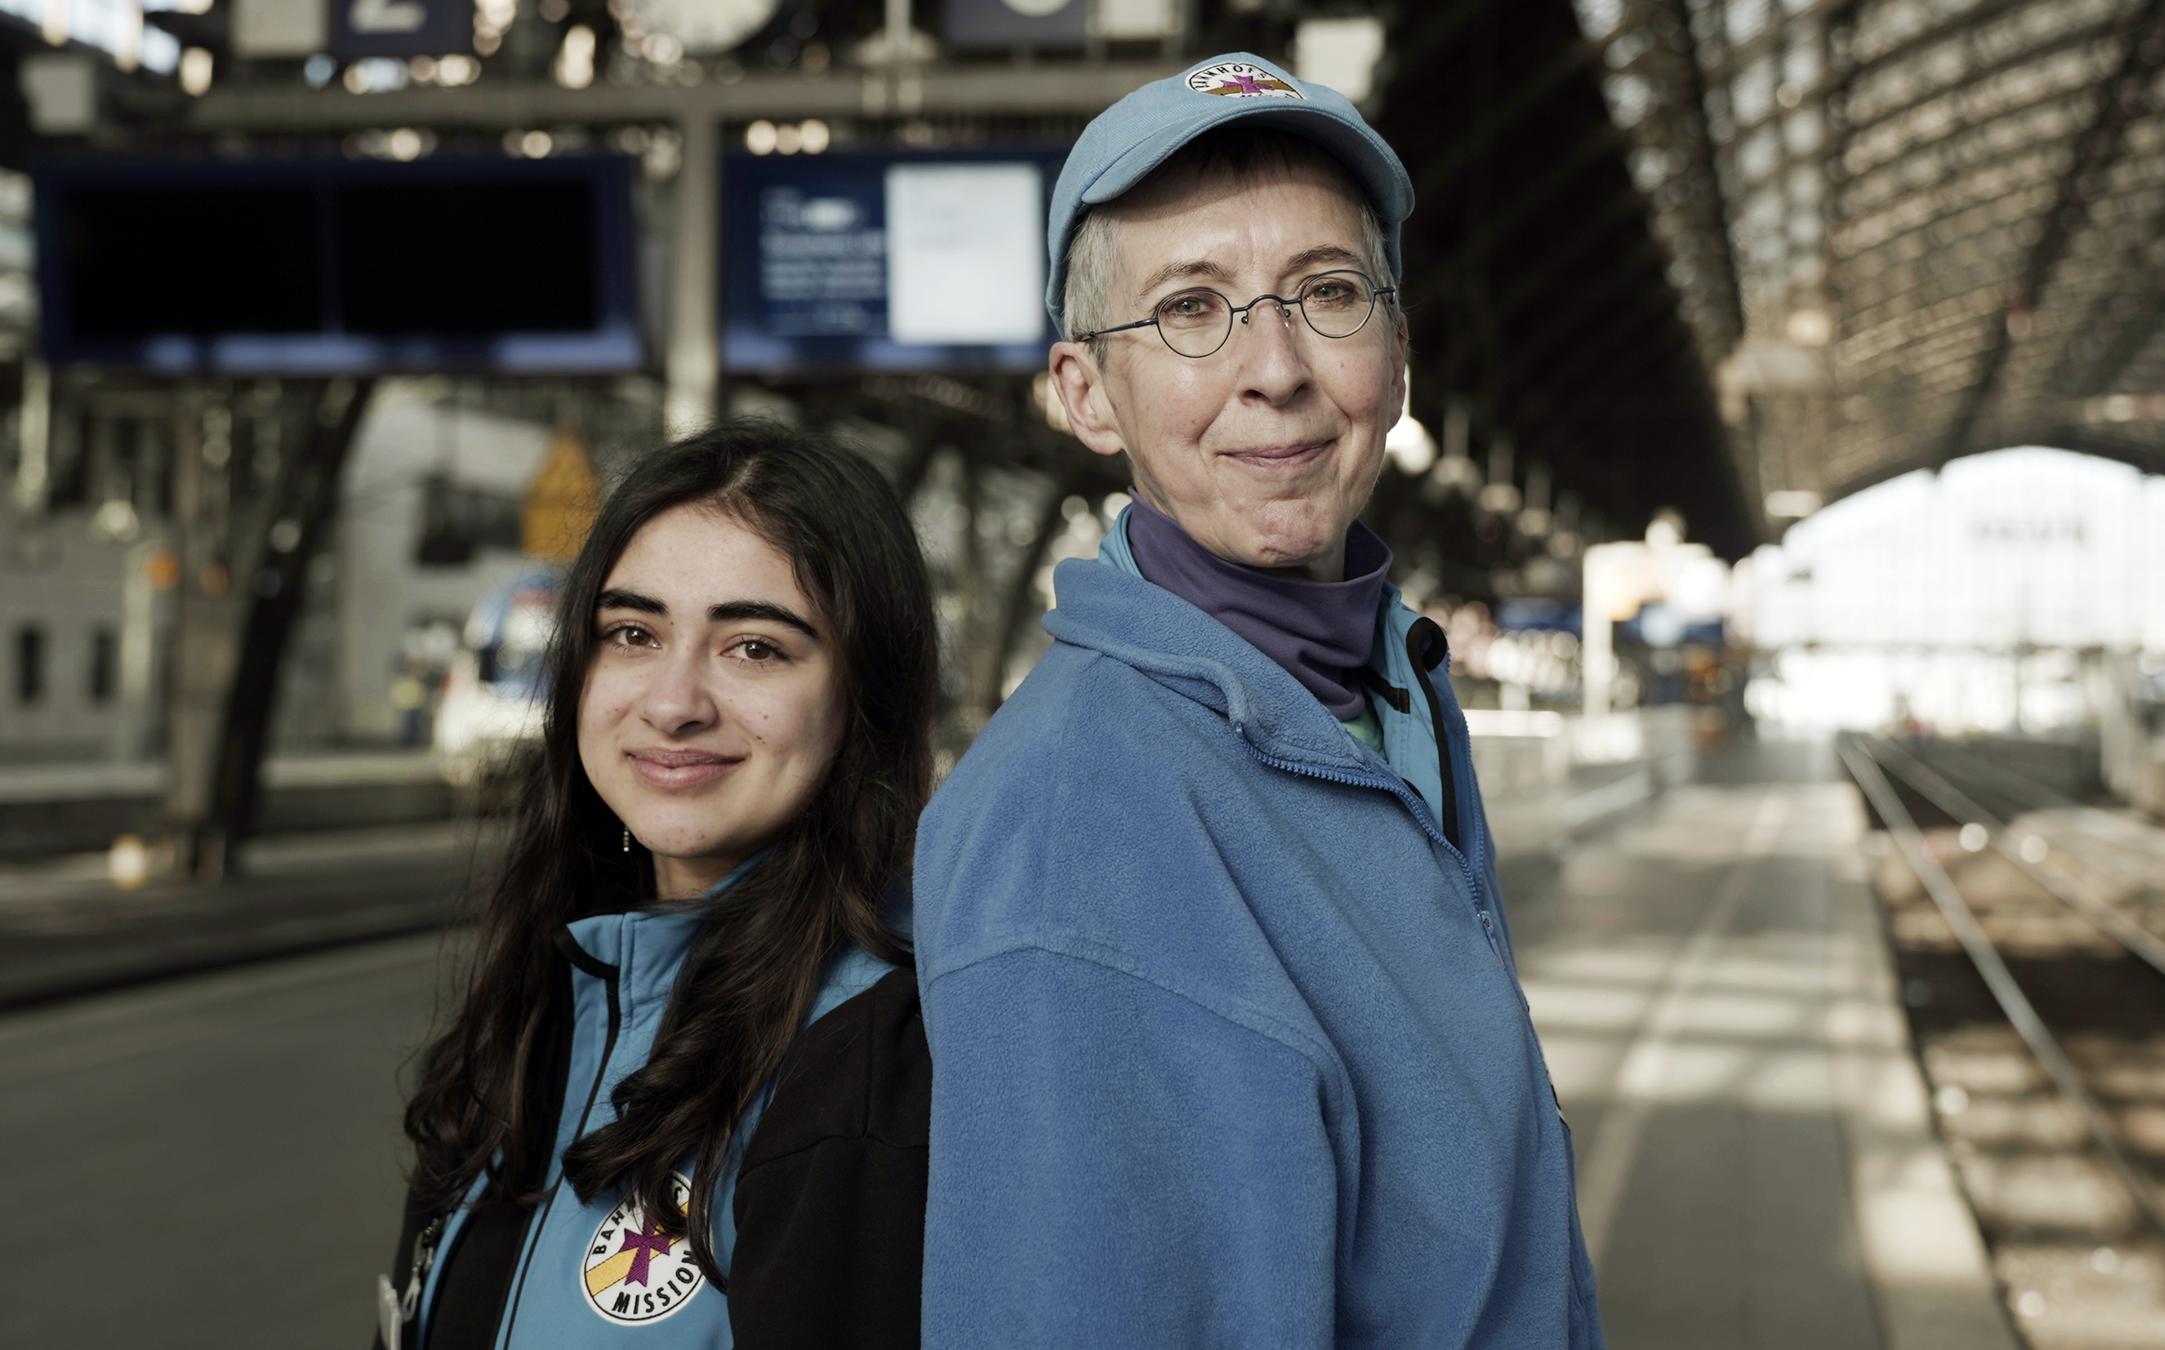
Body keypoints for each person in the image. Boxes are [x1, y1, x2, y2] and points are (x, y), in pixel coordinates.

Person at [912, 52, 1605, 1348]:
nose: (1275, 366)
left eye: (1327, 292)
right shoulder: (1073, 825)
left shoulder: (1391, 692)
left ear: (1398, 354)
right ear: (1084, 393)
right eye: (1190, 307)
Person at [382, 421, 936, 1349]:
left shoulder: (885, 1061)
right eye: (633, 634)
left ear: (863, 696)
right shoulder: (549, 1000)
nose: (673, 703)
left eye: (754, 647)